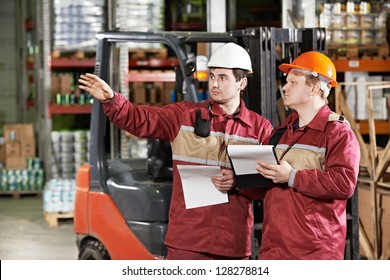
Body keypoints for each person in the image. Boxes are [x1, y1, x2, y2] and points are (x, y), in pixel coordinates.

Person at [78, 42, 273, 260]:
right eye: (212, 76)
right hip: (188, 242)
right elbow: (139, 119)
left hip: (233, 246)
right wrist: (111, 99)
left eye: (223, 77)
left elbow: (265, 187)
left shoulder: (259, 129)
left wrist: (238, 181)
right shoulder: (184, 116)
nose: (215, 83)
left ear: (242, 82)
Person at [253, 51, 360, 260]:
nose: (284, 87)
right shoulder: (281, 131)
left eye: (293, 82)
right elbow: (264, 187)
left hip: (313, 253)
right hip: (274, 249)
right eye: (286, 82)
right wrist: (239, 179)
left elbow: (344, 183)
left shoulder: (337, 133)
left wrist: (292, 176)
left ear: (313, 87)